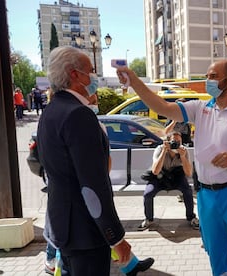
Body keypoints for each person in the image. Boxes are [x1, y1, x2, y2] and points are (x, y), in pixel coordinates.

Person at [116, 60, 227, 275]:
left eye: (212, 76)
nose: (207, 80)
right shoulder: (200, 108)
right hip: (206, 196)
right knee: (217, 254)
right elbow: (162, 107)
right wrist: (135, 81)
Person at [37, 46, 153, 276]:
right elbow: (92, 187)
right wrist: (116, 237)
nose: (94, 77)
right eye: (90, 70)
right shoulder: (78, 115)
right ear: (74, 74)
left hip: (63, 228)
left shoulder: (51, 111)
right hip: (86, 233)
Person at [137, 131, 199, 231]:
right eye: (174, 142)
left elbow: (188, 173)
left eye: (179, 142)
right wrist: (164, 151)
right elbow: (155, 171)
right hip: (160, 177)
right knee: (148, 194)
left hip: (177, 177)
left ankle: (191, 217)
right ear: (167, 142)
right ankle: (149, 218)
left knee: (188, 191)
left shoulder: (183, 151)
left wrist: (182, 156)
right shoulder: (160, 149)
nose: (177, 145)